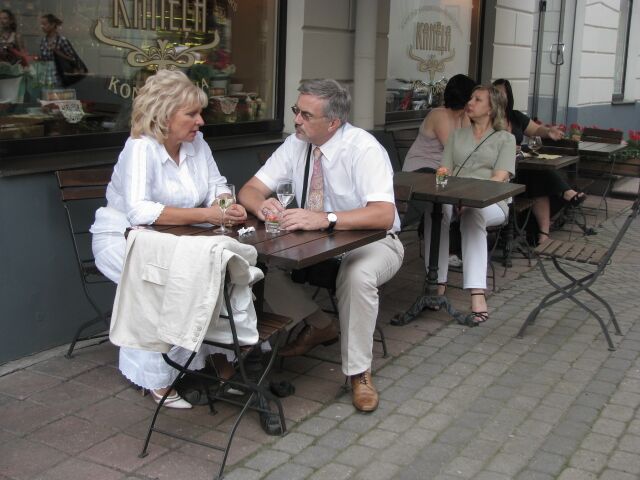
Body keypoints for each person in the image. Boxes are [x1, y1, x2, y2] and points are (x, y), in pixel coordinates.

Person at [238, 79, 404, 412]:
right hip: (316, 244)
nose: (296, 120)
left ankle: (358, 373)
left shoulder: (363, 148)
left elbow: (383, 215)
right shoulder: (296, 143)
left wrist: (325, 219)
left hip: (375, 242)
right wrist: (263, 206)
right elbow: (249, 191)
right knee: (252, 265)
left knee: (357, 275)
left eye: (306, 115)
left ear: (333, 122)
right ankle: (319, 325)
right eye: (296, 110)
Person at [90, 69, 247, 409]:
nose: (200, 121)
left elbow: (218, 184)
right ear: (163, 115)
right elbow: (139, 211)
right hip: (123, 239)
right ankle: (155, 377)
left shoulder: (196, 143)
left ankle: (217, 358)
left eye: (199, 113)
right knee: (164, 281)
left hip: (175, 239)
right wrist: (208, 215)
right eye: (191, 114)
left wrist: (225, 205)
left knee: (212, 269)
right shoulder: (140, 148)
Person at [423, 85, 515, 325]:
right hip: (455, 198)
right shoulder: (457, 136)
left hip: (492, 202)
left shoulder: (505, 139)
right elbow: (444, 171)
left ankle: (477, 294)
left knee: (473, 214)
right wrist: (447, 190)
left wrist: (470, 198)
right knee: (435, 210)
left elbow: (500, 177)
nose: (470, 102)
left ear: (491, 108)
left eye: (478, 99)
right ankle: (436, 283)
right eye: (471, 98)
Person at [403, 74, 476, 293]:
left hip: (441, 173)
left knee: (444, 211)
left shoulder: (461, 117)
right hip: (419, 172)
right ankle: (437, 279)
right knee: (443, 210)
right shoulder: (439, 115)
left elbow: (466, 152)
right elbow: (455, 151)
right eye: (473, 97)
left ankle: (438, 276)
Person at [493, 78, 586, 244]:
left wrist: (548, 131)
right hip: (503, 171)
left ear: (508, 96)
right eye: (495, 92)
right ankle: (566, 194)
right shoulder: (489, 118)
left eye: (502, 93)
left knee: (537, 180)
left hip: (520, 166)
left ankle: (544, 234)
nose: (498, 96)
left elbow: (535, 129)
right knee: (537, 177)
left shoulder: (515, 116)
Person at [38, 14, 76, 87]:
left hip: (58, 77)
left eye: (44, 24)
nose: (42, 26)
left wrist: (58, 52)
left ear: (52, 25)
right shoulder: (43, 40)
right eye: (41, 24)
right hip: (45, 77)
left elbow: (73, 58)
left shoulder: (62, 40)